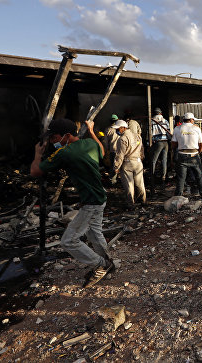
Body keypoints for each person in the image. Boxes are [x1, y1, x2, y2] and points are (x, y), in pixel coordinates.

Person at [30, 118, 113, 288]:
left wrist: (38, 154)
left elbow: (35, 171)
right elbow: (102, 151)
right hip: (99, 197)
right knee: (94, 233)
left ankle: (101, 265)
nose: (52, 141)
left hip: (92, 201)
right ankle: (106, 261)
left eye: (54, 138)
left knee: (68, 241)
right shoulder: (90, 143)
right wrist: (91, 131)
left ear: (66, 136)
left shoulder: (65, 153)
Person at [171, 112, 202, 201]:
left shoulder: (177, 128)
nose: (193, 121)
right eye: (193, 119)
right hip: (194, 155)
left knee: (181, 179)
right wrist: (198, 152)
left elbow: (173, 144)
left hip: (182, 155)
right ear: (191, 120)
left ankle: (177, 199)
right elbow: (201, 144)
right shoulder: (196, 128)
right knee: (199, 177)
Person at [112, 120, 147, 208]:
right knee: (140, 183)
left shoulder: (122, 139)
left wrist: (116, 167)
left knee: (129, 185)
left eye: (118, 129)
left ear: (123, 128)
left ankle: (131, 204)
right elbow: (142, 149)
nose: (117, 131)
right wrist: (141, 158)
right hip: (138, 162)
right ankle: (143, 201)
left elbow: (120, 155)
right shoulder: (138, 136)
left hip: (128, 163)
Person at [150, 108, 170, 184]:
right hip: (166, 142)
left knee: (154, 160)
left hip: (158, 142)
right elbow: (169, 132)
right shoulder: (165, 121)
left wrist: (149, 144)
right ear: (160, 113)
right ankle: (163, 177)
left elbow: (150, 134)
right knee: (164, 160)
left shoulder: (152, 121)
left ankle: (152, 176)